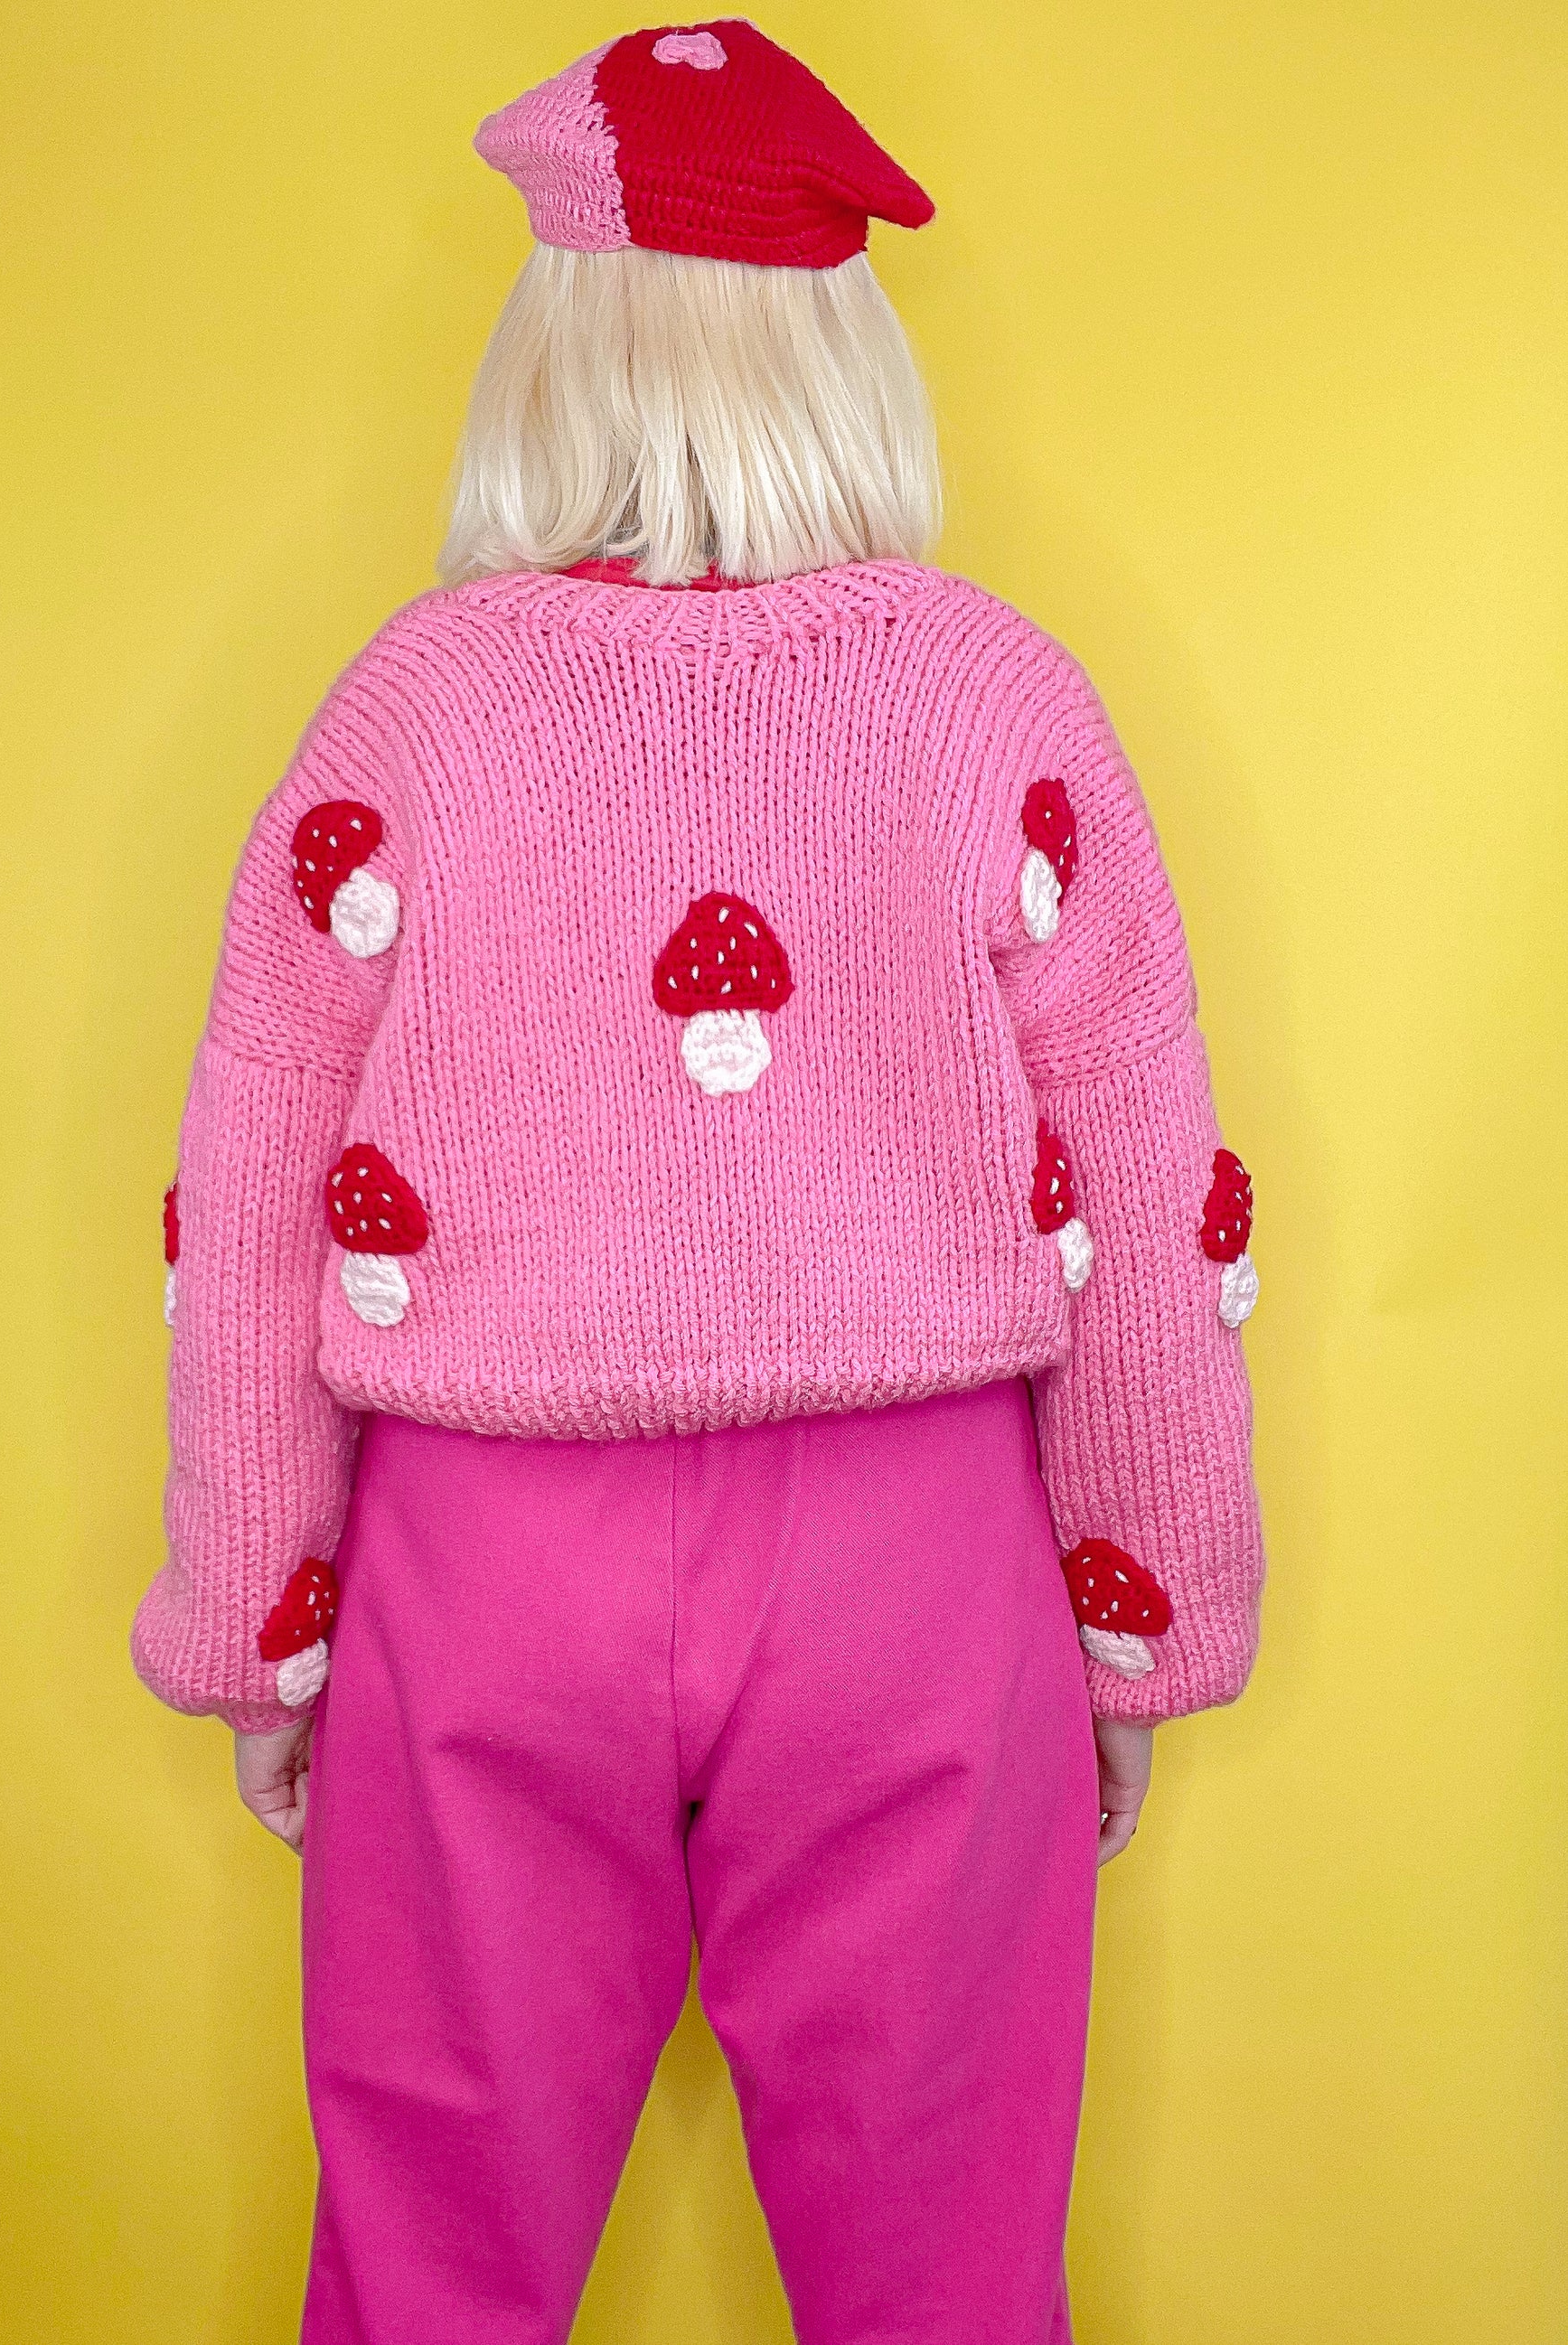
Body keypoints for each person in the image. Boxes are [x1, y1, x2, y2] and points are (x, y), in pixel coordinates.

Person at [133, 21, 1265, 2344]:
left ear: (540, 357)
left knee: (430, 2241)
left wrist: (262, 1611)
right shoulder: (996, 697)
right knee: (946, 2258)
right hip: (915, 1563)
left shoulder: (414, 704)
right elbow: (1146, 1180)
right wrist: (1137, 1625)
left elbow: (250, 1170)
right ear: (847, 354)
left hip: (482, 1551)